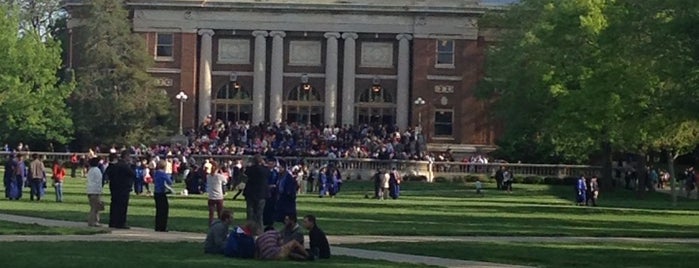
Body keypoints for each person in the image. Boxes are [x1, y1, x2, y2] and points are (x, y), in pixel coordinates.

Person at [104, 151, 136, 229]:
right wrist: (133, 165)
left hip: (114, 188)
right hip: (123, 188)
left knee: (114, 205)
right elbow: (133, 174)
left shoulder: (115, 165)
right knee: (122, 206)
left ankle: (113, 222)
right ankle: (121, 222)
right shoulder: (124, 166)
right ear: (126, 157)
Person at [244, 154, 271, 230]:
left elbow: (246, 173)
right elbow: (269, 173)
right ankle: (259, 229)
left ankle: (249, 229)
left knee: (250, 213)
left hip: (251, 193)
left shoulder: (250, 169)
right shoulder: (265, 170)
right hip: (261, 193)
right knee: (259, 214)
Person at [153, 160, 173, 232]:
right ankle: (162, 226)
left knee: (158, 210)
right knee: (164, 210)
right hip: (162, 192)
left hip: (156, 192)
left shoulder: (156, 173)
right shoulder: (163, 174)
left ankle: (157, 226)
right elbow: (170, 182)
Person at [86, 157, 104, 227]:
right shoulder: (97, 170)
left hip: (90, 190)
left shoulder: (90, 170)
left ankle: (91, 221)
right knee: (96, 208)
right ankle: (94, 221)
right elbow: (99, 181)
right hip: (95, 191)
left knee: (93, 207)